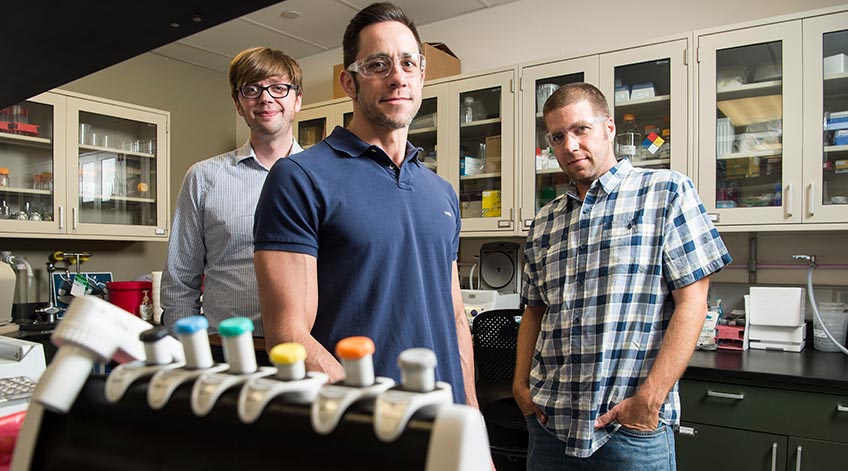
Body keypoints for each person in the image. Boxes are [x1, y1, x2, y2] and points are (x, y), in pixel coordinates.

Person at [253, 2, 476, 407]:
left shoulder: (440, 192)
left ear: (422, 76)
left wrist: (472, 420)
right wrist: (379, 414)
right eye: (377, 64)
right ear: (349, 83)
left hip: (447, 425)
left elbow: (456, 319)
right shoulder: (299, 179)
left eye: (409, 63)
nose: (397, 77)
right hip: (364, 429)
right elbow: (288, 336)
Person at [513, 83, 731, 470]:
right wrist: (521, 386)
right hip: (550, 424)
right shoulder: (544, 221)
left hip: (628, 428)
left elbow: (693, 302)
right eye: (558, 136)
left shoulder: (666, 192)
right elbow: (534, 311)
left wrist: (650, 400)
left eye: (581, 129)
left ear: (608, 128)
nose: (570, 145)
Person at [161, 47, 304, 356]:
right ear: (238, 104)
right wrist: (188, 354)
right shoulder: (203, 178)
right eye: (252, 89)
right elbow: (179, 281)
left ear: (297, 100)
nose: (266, 98)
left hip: (309, 350)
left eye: (279, 87)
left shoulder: (323, 178)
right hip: (224, 351)